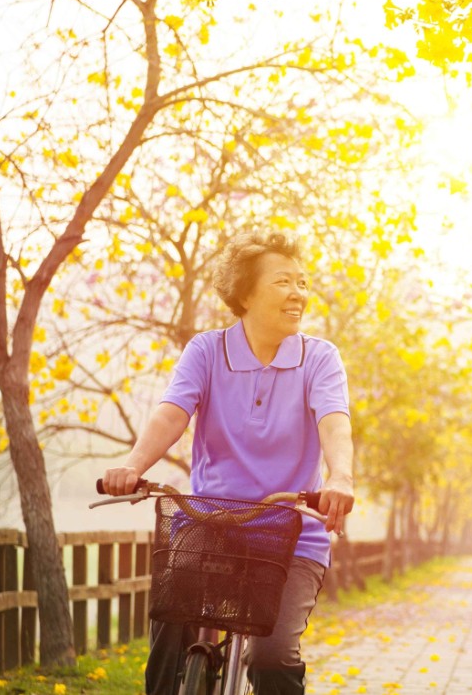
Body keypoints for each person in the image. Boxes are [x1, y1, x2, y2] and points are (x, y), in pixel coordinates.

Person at [101, 230, 355, 695]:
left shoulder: (320, 358)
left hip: (291, 532)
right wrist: (133, 464)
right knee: (170, 624)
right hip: (211, 522)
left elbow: (334, 422)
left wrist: (341, 476)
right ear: (245, 292)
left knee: (271, 656)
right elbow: (173, 411)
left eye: (302, 282)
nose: (298, 293)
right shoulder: (206, 350)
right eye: (283, 282)